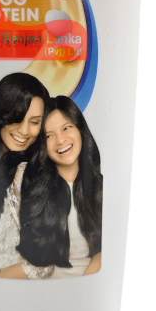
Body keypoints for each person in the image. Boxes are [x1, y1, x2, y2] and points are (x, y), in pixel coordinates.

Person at [0, 73, 50, 276]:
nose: (24, 130)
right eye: (17, 117)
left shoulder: (33, 175)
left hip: (19, 290)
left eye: (34, 122)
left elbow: (42, 263)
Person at [17, 96, 102, 277]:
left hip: (90, 285)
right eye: (49, 135)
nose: (60, 140)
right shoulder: (32, 187)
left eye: (66, 128)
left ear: (80, 129)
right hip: (41, 288)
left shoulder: (101, 184)